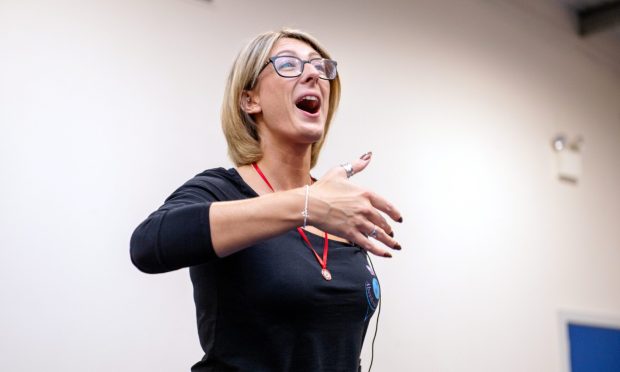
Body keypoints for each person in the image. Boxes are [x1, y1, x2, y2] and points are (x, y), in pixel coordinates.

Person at [130, 28, 403, 372]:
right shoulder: (221, 189)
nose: (312, 74)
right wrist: (307, 205)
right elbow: (147, 245)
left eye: (321, 68)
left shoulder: (336, 206)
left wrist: (317, 201)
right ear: (250, 100)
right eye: (289, 64)